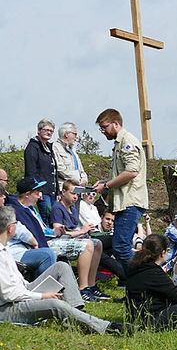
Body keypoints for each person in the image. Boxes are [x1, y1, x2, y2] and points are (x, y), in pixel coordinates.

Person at [0, 205, 132, 334]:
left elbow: (16, 285)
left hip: (21, 293)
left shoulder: (1, 246)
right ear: (10, 228)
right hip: (5, 309)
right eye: (16, 224)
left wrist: (33, 291)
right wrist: (42, 296)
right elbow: (8, 294)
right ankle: (106, 327)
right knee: (55, 305)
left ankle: (76, 316)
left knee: (61, 267)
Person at [91, 108, 148, 268]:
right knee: (121, 246)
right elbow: (123, 172)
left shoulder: (127, 142)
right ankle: (136, 287)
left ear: (116, 124)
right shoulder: (119, 143)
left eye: (105, 127)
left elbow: (131, 172)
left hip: (130, 202)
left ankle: (145, 279)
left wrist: (107, 186)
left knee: (121, 247)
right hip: (124, 203)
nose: (102, 131)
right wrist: (105, 181)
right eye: (100, 128)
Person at [48, 180, 107, 302]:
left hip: (73, 240)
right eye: (72, 193)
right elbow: (58, 232)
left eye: (77, 195)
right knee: (89, 244)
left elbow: (74, 230)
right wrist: (81, 231)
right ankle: (82, 287)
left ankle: (91, 284)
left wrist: (84, 231)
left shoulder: (74, 210)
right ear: (63, 192)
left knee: (98, 243)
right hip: (58, 241)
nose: (75, 197)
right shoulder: (57, 208)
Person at [5, 177, 60, 276]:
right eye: (37, 193)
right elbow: (25, 233)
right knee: (49, 254)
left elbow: (40, 228)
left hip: (45, 239)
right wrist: (52, 233)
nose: (40, 196)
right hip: (25, 249)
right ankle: (45, 287)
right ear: (27, 194)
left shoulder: (31, 209)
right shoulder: (15, 210)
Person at [23, 119, 58, 222]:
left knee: (54, 218)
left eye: (51, 131)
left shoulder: (49, 147)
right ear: (39, 130)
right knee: (47, 217)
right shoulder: (33, 147)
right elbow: (31, 171)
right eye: (46, 130)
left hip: (52, 191)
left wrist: (57, 192)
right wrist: (37, 190)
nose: (49, 133)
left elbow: (54, 170)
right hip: (42, 191)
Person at [53, 122, 88, 190]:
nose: (76, 137)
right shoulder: (55, 147)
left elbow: (81, 169)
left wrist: (84, 179)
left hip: (77, 189)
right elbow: (59, 168)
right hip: (63, 189)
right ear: (66, 134)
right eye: (75, 134)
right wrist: (77, 179)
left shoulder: (73, 151)